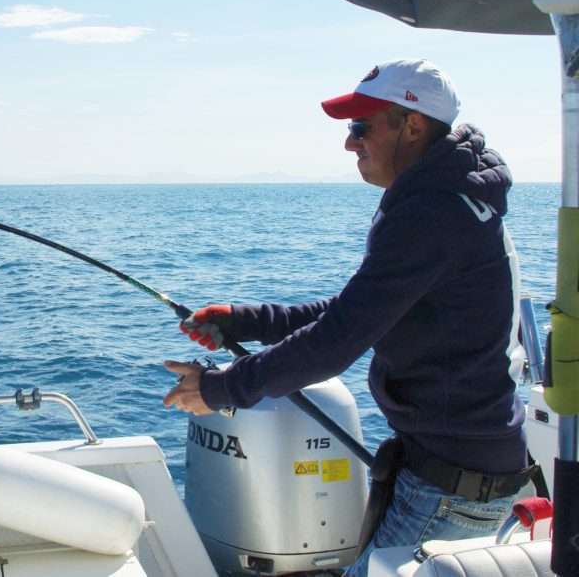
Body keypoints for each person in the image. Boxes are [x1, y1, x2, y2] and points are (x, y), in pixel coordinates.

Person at [163, 59, 533, 576]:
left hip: (449, 490)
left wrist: (221, 389)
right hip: (456, 475)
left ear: (413, 125)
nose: (349, 142)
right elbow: (360, 312)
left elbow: (338, 340)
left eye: (361, 127)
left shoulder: (432, 212)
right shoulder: (448, 199)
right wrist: (245, 320)